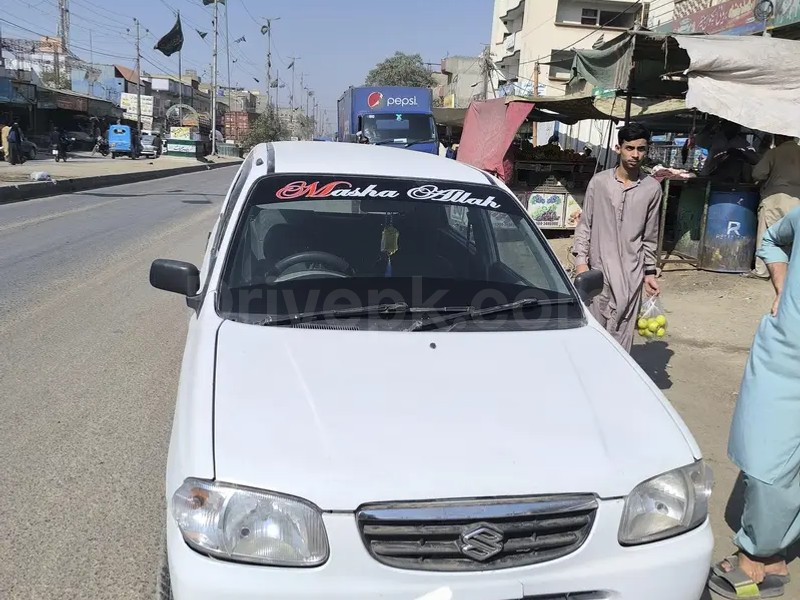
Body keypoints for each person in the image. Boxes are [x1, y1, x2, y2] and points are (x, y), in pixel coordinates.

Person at [707, 207, 800, 599]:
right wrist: (782, 287)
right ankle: (757, 551)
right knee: (763, 457)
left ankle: (769, 556)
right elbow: (773, 239)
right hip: (785, 357)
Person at [572, 122, 661, 352]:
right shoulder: (600, 182)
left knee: (622, 337)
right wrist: (581, 263)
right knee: (593, 335)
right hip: (598, 271)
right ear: (618, 148)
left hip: (631, 274)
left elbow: (650, 236)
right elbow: (585, 225)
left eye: (641, 149)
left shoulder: (652, 188)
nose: (635, 155)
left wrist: (649, 273)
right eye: (629, 148)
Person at [747, 135, 800, 279]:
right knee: (794, 237)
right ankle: (792, 271)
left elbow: (758, 174)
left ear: (779, 138)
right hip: (797, 200)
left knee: (766, 235)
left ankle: (762, 271)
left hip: (775, 198)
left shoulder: (774, 153)